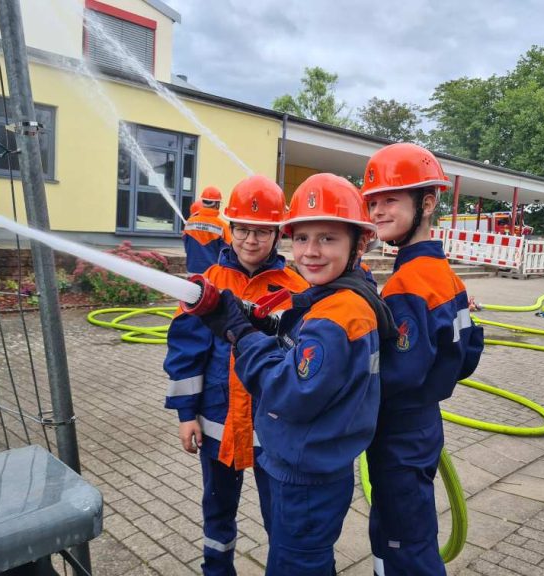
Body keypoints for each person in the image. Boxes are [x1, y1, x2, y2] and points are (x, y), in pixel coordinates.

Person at [195, 173, 395, 575]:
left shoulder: (338, 315)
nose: (310, 252)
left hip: (305, 477)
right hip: (318, 467)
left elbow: (288, 390)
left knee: (296, 565)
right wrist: (263, 322)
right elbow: (303, 346)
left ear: (359, 244)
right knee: (305, 559)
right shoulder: (341, 300)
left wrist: (241, 333)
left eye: (328, 238)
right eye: (301, 238)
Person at [164, 175, 308, 576]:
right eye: (243, 229)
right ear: (231, 228)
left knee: (278, 515)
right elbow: (185, 352)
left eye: (262, 232)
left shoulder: (295, 289)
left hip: (272, 428)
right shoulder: (207, 285)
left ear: (277, 233)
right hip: (216, 421)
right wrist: (185, 415)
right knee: (217, 512)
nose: (250, 240)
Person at [360, 143, 484, 576]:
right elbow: (468, 357)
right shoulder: (448, 278)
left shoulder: (405, 285)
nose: (377, 211)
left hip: (398, 434)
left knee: (407, 548)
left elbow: (396, 374)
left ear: (427, 202)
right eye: (372, 201)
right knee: (395, 533)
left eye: (390, 199)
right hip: (424, 428)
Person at [183, 185, 232, 274]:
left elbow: (186, 247)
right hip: (212, 275)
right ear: (217, 204)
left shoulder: (189, 222)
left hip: (191, 271)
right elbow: (227, 254)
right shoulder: (222, 226)